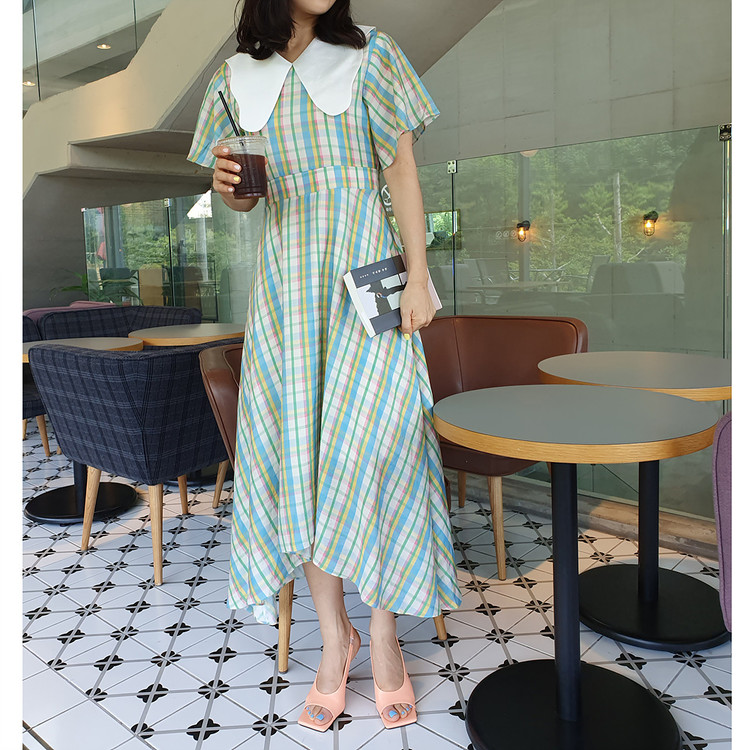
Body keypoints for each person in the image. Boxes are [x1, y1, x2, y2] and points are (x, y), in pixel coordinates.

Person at [188, 0, 461, 732]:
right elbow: (241, 200)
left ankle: (384, 632)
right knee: (302, 460)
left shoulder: (374, 52)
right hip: (289, 293)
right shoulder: (234, 77)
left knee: (382, 452)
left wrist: (420, 277)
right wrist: (227, 190)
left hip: (368, 280)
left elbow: (401, 171)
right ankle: (335, 640)